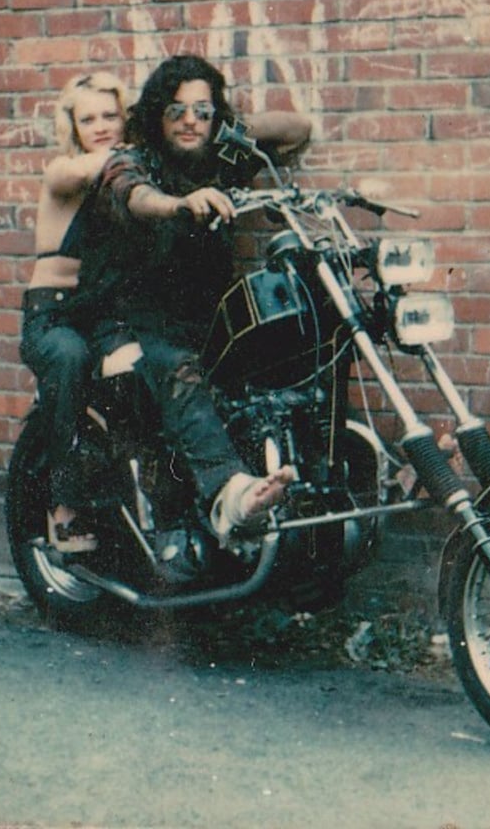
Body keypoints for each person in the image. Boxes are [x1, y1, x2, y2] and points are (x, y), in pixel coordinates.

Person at [69, 54, 311, 560]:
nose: (189, 122)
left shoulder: (218, 156)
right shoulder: (131, 160)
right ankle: (231, 494)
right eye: (176, 110)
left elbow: (295, 130)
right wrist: (180, 203)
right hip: (126, 317)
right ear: (156, 114)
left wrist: (228, 124)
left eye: (201, 111)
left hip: (196, 315)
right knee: (178, 368)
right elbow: (135, 198)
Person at [19, 72, 129, 553]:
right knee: (69, 359)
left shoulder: (128, 177)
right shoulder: (64, 170)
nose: (102, 126)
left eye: (111, 115)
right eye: (89, 119)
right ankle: (63, 507)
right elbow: (87, 170)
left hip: (101, 313)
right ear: (74, 127)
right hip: (54, 318)